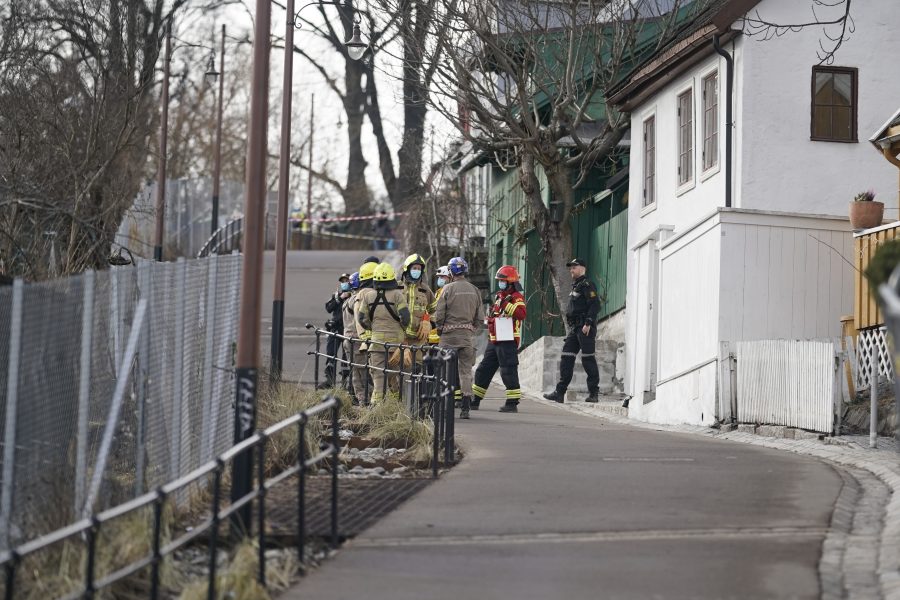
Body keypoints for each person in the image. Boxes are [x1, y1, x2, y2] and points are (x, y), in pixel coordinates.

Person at [543, 258, 601, 403]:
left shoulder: (587, 284)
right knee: (566, 357)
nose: (571, 270)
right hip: (575, 328)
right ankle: (560, 392)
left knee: (588, 359)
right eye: (570, 268)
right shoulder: (576, 286)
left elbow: (595, 305)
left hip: (584, 327)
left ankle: (594, 393)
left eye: (574, 267)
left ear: (582, 268)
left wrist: (588, 323)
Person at [432, 256, 484, 419]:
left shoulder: (447, 289)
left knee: (445, 371)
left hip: (448, 337)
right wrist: (471, 330)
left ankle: (445, 407)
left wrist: (440, 329)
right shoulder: (475, 290)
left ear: (451, 271)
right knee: (466, 372)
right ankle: (466, 407)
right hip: (467, 337)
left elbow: (439, 314)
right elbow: (480, 317)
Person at [473, 266, 527, 413]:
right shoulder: (499, 296)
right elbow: (496, 314)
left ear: (510, 282)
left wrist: (505, 304)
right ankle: (475, 399)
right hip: (495, 339)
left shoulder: (516, 297)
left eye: (503, 281)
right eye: (499, 281)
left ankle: (512, 403)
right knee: (483, 369)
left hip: (508, 340)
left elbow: (521, 314)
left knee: (508, 371)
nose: (500, 283)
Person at [357, 262, 410, 404]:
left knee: (378, 377)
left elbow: (361, 319)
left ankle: (377, 409)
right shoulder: (398, 295)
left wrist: (372, 327)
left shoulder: (368, 296)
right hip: (396, 345)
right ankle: (398, 406)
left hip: (376, 344)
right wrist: (401, 328)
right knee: (397, 376)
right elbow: (406, 318)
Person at [353, 261, 379, 403]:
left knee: (361, 373)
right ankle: (368, 402)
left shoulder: (360, 294)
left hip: (362, 341)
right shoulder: (368, 294)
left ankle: (365, 402)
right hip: (368, 342)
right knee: (369, 374)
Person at [320, 273, 351, 389]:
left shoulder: (354, 295)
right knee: (330, 354)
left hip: (347, 330)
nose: (344, 283)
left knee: (346, 356)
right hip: (335, 329)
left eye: (346, 281)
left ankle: (345, 382)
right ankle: (329, 380)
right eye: (342, 281)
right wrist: (339, 298)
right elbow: (328, 308)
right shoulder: (336, 295)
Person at [400, 253, 435, 350]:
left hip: (418, 340)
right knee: (398, 364)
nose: (417, 271)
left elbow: (434, 310)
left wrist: (427, 321)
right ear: (407, 268)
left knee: (418, 365)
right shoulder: (397, 287)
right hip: (398, 340)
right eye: (414, 268)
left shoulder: (426, 290)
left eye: (419, 269)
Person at [342, 272, 366, 405]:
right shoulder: (357, 299)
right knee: (363, 372)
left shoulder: (348, 299)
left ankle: (361, 399)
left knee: (355, 371)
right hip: (356, 340)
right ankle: (365, 400)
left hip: (348, 339)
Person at [427, 265, 450, 344]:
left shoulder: (450, 291)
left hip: (444, 331)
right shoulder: (438, 292)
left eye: (442, 277)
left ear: (449, 277)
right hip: (435, 328)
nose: (440, 279)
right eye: (439, 277)